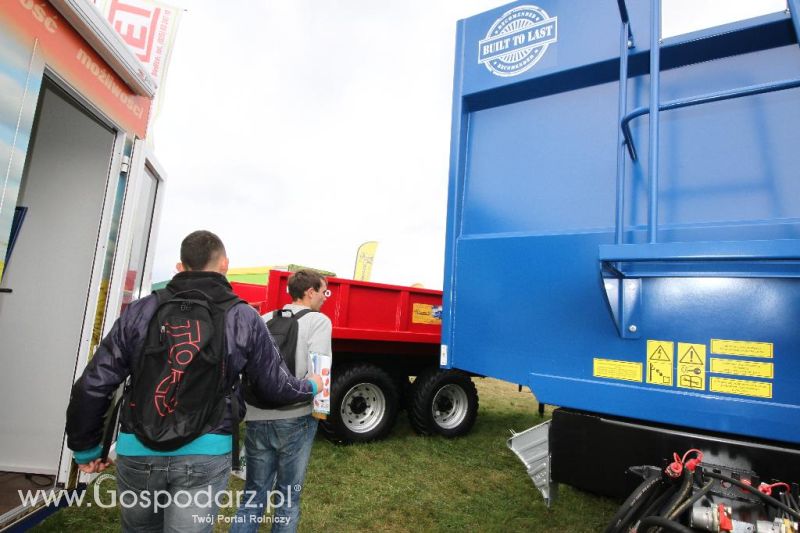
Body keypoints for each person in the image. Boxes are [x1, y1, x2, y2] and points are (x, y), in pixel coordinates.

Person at [65, 230, 323, 532]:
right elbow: (275, 386)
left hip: (138, 448)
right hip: (206, 451)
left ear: (179, 267)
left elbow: (94, 383)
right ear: (224, 264)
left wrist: (85, 449)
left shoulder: (141, 310)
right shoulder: (242, 316)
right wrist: (312, 385)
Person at [232, 269, 332, 533]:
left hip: (257, 415)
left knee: (252, 496)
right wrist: (320, 412)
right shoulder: (319, 322)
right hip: (295, 416)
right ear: (310, 292)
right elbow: (319, 370)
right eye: (324, 292)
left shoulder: (264, 318)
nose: (325, 298)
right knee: (287, 499)